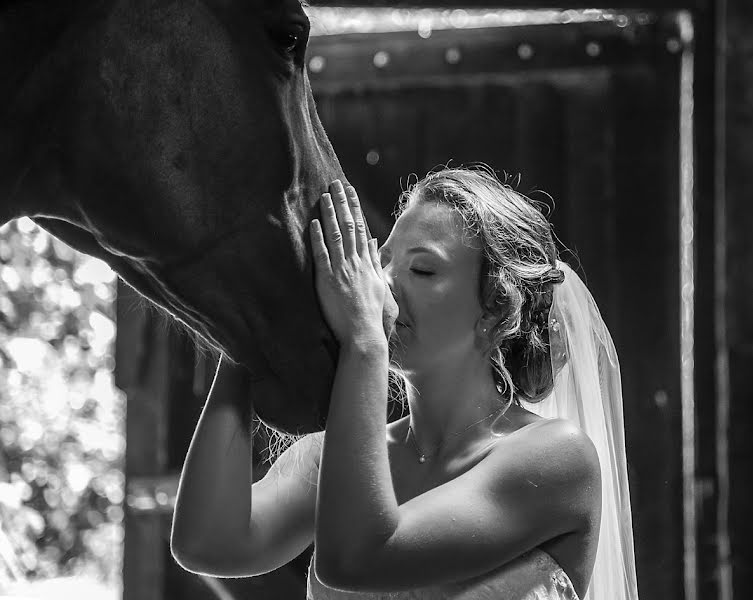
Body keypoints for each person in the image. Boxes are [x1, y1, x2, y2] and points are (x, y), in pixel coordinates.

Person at [170, 167, 638, 600]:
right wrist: (244, 340)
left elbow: (356, 558)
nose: (383, 286)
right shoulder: (330, 459)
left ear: (495, 309)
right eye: (381, 262)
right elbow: (205, 542)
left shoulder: (557, 457)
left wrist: (365, 343)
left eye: (422, 269)